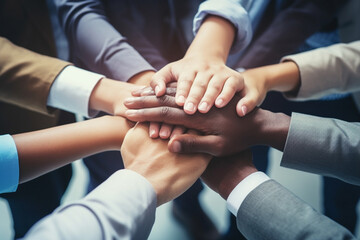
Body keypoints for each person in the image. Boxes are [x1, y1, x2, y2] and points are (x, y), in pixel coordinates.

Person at [55, 0, 254, 237]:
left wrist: (209, 49)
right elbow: (80, 10)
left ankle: (188, 208)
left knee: (190, 164)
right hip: (120, 75)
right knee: (113, 173)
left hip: (199, 68)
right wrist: (153, 89)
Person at [123, 40, 360, 238]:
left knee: (342, 199)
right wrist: (263, 80)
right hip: (269, 77)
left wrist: (239, 182)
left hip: (345, 100)